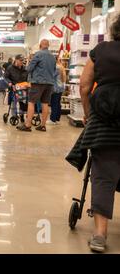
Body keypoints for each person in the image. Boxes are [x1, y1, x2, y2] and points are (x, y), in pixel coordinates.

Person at [71, 16, 120, 253]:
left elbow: (84, 85)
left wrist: (89, 114)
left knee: (102, 175)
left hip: (105, 123)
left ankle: (100, 234)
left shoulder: (101, 50)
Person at [17, 39, 56, 132]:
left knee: (31, 102)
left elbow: (29, 68)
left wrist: (28, 63)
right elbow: (54, 70)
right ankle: (43, 125)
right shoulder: (53, 57)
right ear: (48, 46)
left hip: (38, 82)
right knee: (45, 103)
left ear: (40, 45)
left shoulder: (38, 54)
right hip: (49, 83)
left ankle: (28, 125)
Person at [49, 58, 66, 124]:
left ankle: (53, 119)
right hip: (60, 87)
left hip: (56, 88)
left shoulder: (56, 67)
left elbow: (52, 76)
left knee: (54, 103)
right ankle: (57, 119)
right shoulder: (61, 67)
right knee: (58, 104)